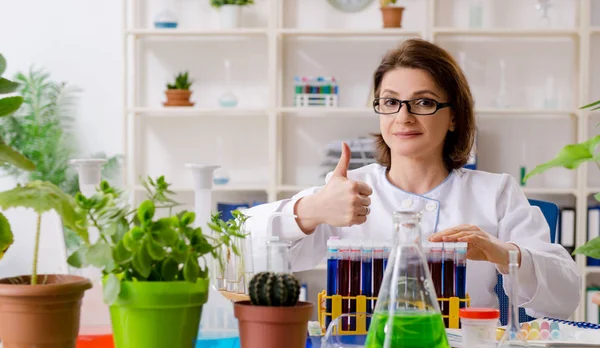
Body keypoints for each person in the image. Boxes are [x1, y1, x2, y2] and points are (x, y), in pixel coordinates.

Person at [244, 38, 580, 320]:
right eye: (390, 102)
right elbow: (236, 249)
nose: (403, 117)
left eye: (423, 102)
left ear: (454, 117)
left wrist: (500, 252)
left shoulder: (497, 192)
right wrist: (309, 211)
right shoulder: (344, 192)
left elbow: (565, 297)